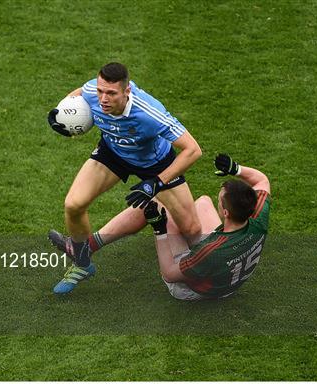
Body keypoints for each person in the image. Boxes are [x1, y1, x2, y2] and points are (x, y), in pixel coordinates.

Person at [47, 62, 202, 294]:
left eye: (111, 93)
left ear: (127, 91)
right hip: (113, 153)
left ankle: (205, 272)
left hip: (155, 164)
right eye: (101, 91)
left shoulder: (150, 113)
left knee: (192, 229)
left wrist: (156, 183)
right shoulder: (93, 91)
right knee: (73, 204)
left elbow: (193, 150)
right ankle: (82, 262)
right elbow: (78, 94)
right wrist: (63, 117)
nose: (103, 99)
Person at [51, 153, 271, 298]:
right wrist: (236, 168)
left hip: (197, 290)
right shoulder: (257, 217)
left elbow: (169, 274)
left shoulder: (210, 252)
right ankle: (85, 249)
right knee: (202, 202)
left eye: (220, 199)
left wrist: (159, 229)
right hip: (229, 270)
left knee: (160, 208)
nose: (218, 199)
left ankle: (86, 248)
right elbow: (262, 181)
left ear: (225, 212)